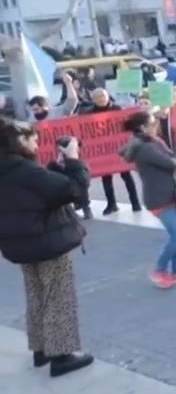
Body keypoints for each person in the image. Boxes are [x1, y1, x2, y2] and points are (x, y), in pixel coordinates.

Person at [0, 121, 95, 377]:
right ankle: (62, 355)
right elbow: (73, 189)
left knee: (36, 295)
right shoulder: (24, 170)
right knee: (58, 296)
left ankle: (41, 349)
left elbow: (40, 191)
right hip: (47, 242)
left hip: (20, 243)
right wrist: (74, 160)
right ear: (18, 142)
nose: (36, 144)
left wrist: (54, 167)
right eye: (32, 140)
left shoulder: (11, 169)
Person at [118, 109, 176, 289]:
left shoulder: (151, 141)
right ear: (143, 128)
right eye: (153, 123)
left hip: (169, 193)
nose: (157, 126)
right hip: (159, 198)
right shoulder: (144, 148)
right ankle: (160, 270)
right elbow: (171, 163)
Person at [79, 88, 142, 215]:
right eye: (97, 97)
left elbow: (127, 127)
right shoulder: (88, 113)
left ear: (107, 96)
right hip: (103, 151)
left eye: (102, 96)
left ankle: (135, 203)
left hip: (119, 148)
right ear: (93, 100)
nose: (100, 99)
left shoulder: (117, 109)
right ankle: (111, 204)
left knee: (126, 176)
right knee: (106, 178)